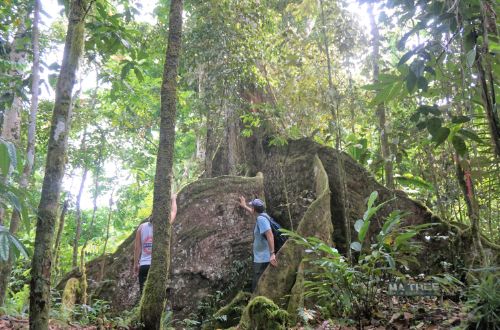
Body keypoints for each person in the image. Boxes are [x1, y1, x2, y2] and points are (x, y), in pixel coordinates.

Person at [133, 193, 177, 294]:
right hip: (157, 265)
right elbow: (173, 211)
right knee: (156, 295)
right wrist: (173, 199)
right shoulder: (164, 225)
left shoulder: (141, 227)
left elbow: (137, 248)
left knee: (144, 294)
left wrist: (136, 264)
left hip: (144, 265)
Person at [238, 196, 278, 291]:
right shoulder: (263, 215)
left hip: (263, 258)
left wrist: (272, 254)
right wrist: (244, 206)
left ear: (254, 209)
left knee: (258, 283)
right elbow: (253, 213)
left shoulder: (261, 219)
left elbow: (269, 235)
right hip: (261, 256)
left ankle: (256, 301)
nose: (251, 208)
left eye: (252, 207)